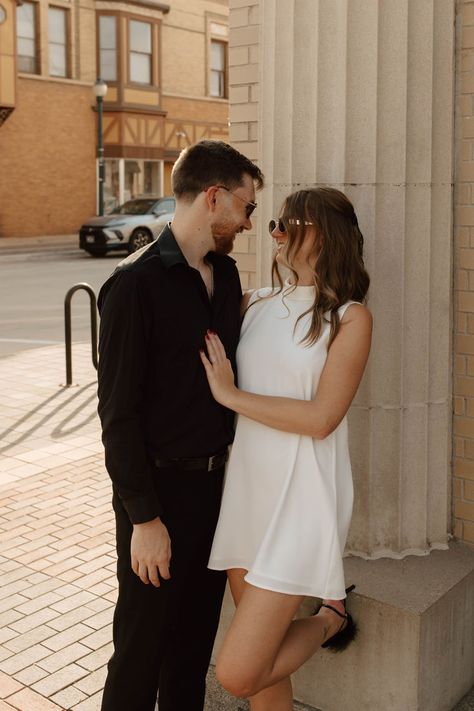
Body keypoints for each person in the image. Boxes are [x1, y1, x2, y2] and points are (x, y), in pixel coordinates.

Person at [97, 139, 264, 711]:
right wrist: (144, 519)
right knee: (140, 651)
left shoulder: (228, 277)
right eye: (247, 207)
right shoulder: (134, 284)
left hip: (216, 494)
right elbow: (117, 416)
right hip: (158, 499)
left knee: (192, 652)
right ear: (214, 198)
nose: (248, 222)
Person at [200, 187, 372, 710]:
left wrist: (231, 395)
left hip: (301, 500)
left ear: (327, 234)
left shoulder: (350, 317)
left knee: (237, 672)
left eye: (289, 223)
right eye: (274, 221)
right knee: (264, 678)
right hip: (248, 494)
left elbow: (321, 419)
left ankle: (329, 619)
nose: (275, 232)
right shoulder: (254, 303)